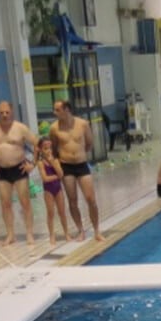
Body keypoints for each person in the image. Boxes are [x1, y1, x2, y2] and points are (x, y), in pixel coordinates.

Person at [0, 100, 38, 245]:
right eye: (1, 113)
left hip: (19, 168)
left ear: (11, 112)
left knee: (25, 202)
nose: (5, 115)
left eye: (7, 112)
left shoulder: (20, 128)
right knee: (5, 203)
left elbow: (37, 143)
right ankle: (10, 234)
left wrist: (33, 164)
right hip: (1, 170)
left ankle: (29, 233)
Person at [49, 100, 104, 242]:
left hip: (82, 165)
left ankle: (97, 230)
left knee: (91, 199)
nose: (54, 113)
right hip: (66, 166)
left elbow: (90, 143)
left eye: (57, 110)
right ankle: (81, 230)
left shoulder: (83, 124)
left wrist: (80, 154)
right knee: (72, 200)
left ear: (66, 109)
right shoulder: (54, 128)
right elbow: (54, 149)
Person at [36, 137, 70, 245]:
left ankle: (66, 233)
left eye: (50, 148)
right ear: (41, 150)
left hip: (58, 189)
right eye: (46, 148)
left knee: (62, 212)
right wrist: (57, 176)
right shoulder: (40, 163)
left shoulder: (55, 160)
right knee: (50, 213)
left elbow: (61, 174)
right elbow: (45, 178)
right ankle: (52, 235)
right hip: (48, 191)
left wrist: (53, 163)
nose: (49, 151)